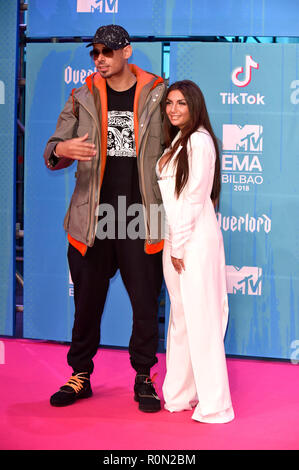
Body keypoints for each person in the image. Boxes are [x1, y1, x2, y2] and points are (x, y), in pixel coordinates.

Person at [44, 24, 166, 412]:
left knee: (145, 304)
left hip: (140, 216)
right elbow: (53, 151)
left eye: (107, 52)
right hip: (92, 217)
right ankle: (80, 375)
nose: (100, 59)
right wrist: (63, 147)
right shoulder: (81, 95)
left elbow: (181, 144)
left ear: (126, 52)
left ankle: (144, 377)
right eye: (94, 52)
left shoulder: (158, 95)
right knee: (86, 304)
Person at [156, 80, 234, 423]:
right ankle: (179, 394)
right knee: (182, 319)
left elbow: (194, 197)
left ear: (195, 106)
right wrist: (174, 241)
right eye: (170, 103)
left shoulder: (200, 141)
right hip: (177, 238)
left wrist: (181, 243)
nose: (174, 109)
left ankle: (215, 404)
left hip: (194, 242)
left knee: (202, 321)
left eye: (181, 103)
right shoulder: (178, 140)